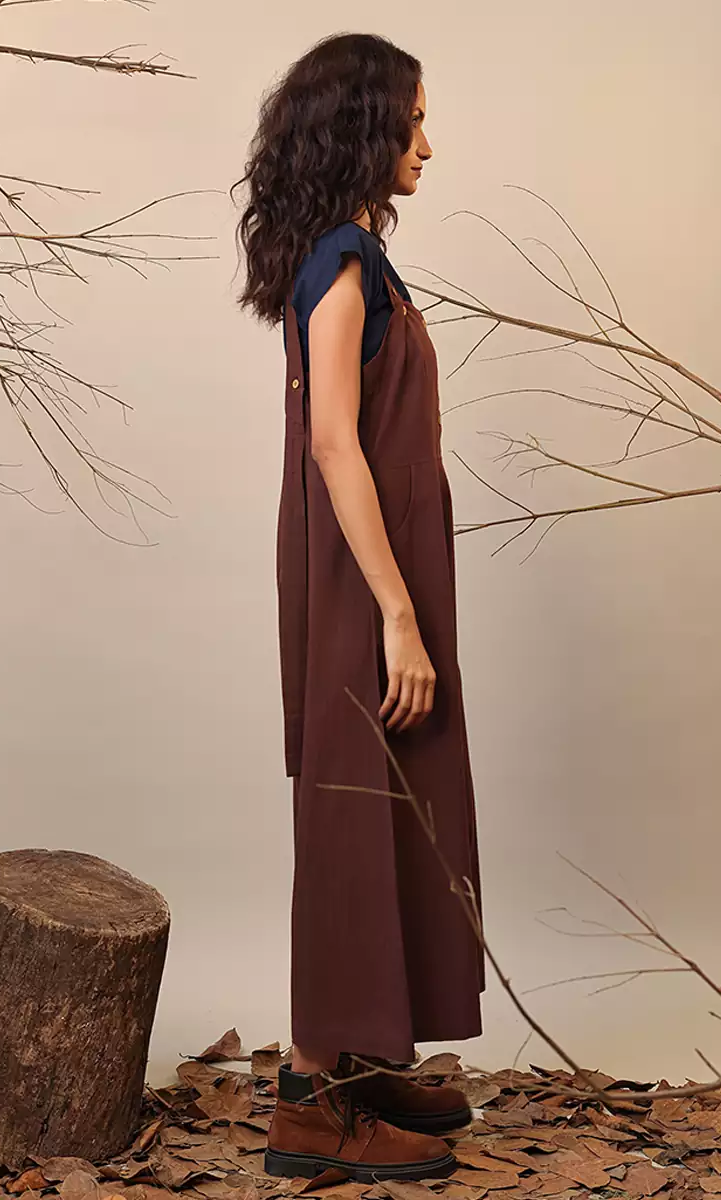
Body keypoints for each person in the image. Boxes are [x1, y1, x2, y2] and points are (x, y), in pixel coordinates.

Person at [232, 31, 486, 1182]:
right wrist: (395, 613)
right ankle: (306, 1101)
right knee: (349, 810)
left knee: (389, 797)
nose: (427, 145)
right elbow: (335, 444)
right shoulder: (339, 265)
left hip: (377, 567)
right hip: (360, 579)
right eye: (411, 123)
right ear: (363, 130)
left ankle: (351, 1058)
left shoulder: (354, 258)